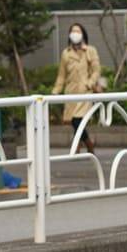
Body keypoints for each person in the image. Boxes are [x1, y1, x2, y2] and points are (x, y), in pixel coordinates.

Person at [52, 23, 101, 155]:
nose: (75, 34)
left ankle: (86, 144)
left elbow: (96, 71)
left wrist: (89, 84)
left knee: (78, 120)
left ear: (83, 34)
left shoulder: (90, 51)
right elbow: (61, 75)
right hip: (71, 92)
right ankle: (82, 144)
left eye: (78, 31)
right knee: (74, 121)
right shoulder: (66, 53)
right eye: (73, 31)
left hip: (85, 92)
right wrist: (55, 91)